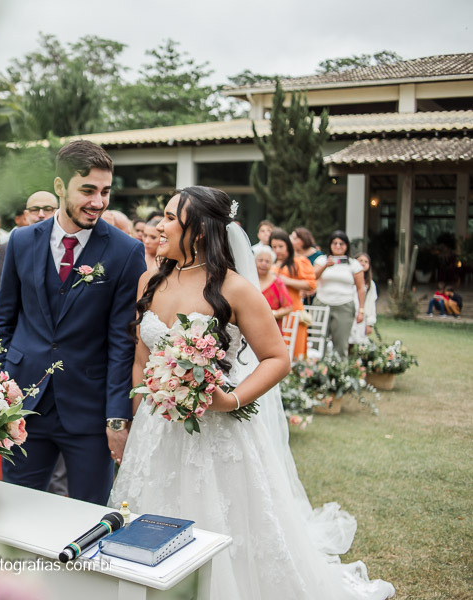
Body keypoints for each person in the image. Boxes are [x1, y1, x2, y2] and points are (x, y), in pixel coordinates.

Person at [110, 187, 394, 600]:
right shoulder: (148, 280)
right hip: (156, 427)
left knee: (222, 522)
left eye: (171, 218)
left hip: (216, 430)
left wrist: (231, 399)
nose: (159, 226)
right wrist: (137, 420)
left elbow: (277, 357)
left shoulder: (235, 287)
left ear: (202, 231)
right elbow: (141, 357)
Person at [0, 140, 146, 505]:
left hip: (90, 411)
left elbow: (122, 341)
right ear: (61, 186)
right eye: (88, 190)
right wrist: (1, 391)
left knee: (90, 515)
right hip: (24, 403)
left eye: (105, 191)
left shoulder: (126, 252)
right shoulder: (20, 241)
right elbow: (4, 321)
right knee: (16, 507)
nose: (98, 202)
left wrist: (116, 419)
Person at [313, 231, 366, 358]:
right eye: (334, 243)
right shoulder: (321, 260)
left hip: (344, 305)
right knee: (317, 342)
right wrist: (326, 265)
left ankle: (339, 374)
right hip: (322, 303)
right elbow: (312, 277)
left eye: (341, 243)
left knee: (341, 344)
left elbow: (361, 288)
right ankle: (316, 373)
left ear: (346, 245)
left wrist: (361, 310)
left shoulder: (353, 264)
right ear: (330, 245)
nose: (337, 246)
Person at [270, 229, 316, 357]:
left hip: (293, 312)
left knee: (295, 354)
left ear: (288, 246)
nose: (277, 250)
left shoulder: (297, 262)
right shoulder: (269, 263)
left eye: (281, 246)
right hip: (273, 313)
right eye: (274, 247)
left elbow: (311, 284)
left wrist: (287, 281)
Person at [256, 245, 293, 332]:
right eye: (260, 260)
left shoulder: (277, 283)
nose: (263, 264)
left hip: (271, 328)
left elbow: (288, 307)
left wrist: (273, 314)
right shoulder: (249, 281)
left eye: (267, 261)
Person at [349, 253, 377, 346]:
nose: (363, 263)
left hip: (361, 317)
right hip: (348, 314)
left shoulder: (370, 284)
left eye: (366, 262)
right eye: (360, 261)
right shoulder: (348, 279)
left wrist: (370, 322)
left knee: (359, 343)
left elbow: (371, 305)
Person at [291, 227, 324, 305]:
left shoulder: (319, 256)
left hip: (313, 296)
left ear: (303, 240)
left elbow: (318, 277)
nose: (291, 242)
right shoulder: (290, 256)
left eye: (295, 239)